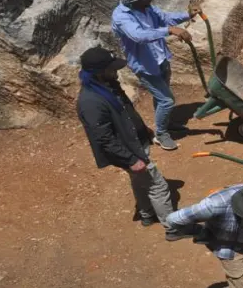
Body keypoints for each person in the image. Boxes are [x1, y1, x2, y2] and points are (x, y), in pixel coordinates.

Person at [76, 47, 177, 237]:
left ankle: (147, 214)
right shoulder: (90, 102)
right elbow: (104, 138)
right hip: (129, 150)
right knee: (158, 186)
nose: (116, 71)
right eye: (111, 68)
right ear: (99, 72)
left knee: (140, 182)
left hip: (135, 142)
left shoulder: (108, 85)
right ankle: (173, 227)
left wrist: (143, 129)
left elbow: (126, 113)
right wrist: (130, 160)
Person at [111, 0, 201, 151]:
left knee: (161, 98)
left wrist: (187, 15)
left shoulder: (146, 7)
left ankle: (166, 122)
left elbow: (165, 17)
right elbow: (138, 35)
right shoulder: (121, 17)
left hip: (160, 59)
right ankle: (161, 134)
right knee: (166, 100)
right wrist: (169, 30)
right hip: (145, 66)